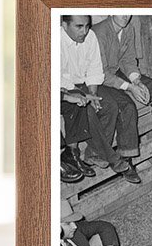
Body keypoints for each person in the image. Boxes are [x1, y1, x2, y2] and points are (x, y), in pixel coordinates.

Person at [59, 13, 140, 184]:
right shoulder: (55, 41)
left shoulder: (90, 37)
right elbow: (56, 77)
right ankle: (112, 157)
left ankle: (95, 154)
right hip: (64, 87)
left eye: (87, 26)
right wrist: (80, 94)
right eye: (79, 27)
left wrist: (93, 93)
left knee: (108, 105)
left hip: (86, 83)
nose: (84, 31)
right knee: (86, 109)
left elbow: (95, 68)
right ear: (64, 26)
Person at [93, 14, 152, 158]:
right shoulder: (99, 33)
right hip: (98, 80)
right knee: (127, 107)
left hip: (116, 71)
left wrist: (137, 81)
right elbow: (101, 73)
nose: (125, 16)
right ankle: (126, 157)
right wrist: (130, 87)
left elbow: (128, 59)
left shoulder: (128, 28)